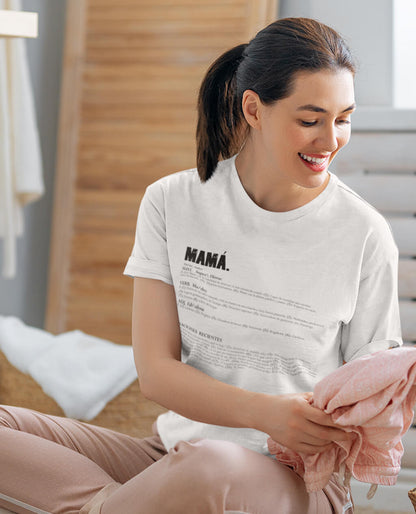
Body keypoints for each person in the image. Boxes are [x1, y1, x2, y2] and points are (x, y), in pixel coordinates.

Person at [0, 17, 402, 514]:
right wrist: (270, 413)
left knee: (213, 468)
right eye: (310, 118)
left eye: (343, 118)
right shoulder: (171, 202)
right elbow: (156, 374)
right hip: (169, 456)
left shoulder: (363, 233)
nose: (331, 140)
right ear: (253, 109)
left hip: (297, 482)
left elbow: (374, 395)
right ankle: (112, 507)